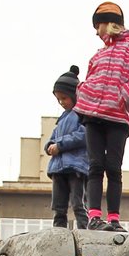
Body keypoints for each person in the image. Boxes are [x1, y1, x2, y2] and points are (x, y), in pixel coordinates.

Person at [75, 1, 129, 232]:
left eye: (97, 26)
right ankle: (94, 217)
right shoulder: (98, 55)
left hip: (118, 115)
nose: (96, 32)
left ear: (108, 24)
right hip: (92, 114)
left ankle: (113, 219)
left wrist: (123, 95)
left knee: (113, 167)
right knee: (94, 166)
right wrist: (83, 91)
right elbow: (90, 77)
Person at [45, 66, 89, 230]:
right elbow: (52, 137)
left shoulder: (81, 114)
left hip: (76, 166)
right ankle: (59, 232)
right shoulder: (62, 119)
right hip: (58, 168)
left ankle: (85, 230)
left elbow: (83, 135)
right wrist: (49, 146)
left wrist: (60, 145)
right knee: (58, 205)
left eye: (64, 98)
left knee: (78, 203)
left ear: (74, 96)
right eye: (59, 99)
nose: (62, 102)